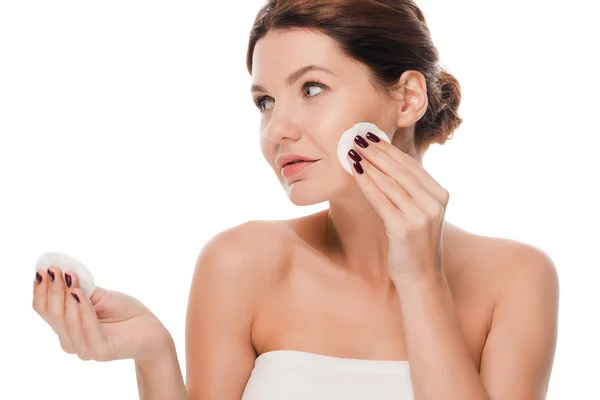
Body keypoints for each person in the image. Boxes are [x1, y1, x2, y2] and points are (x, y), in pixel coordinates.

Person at [32, 0, 560, 399]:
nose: (277, 129)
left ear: (407, 98)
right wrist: (154, 357)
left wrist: (421, 279)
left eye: (310, 88)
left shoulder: (516, 279)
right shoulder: (241, 263)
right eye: (265, 102)